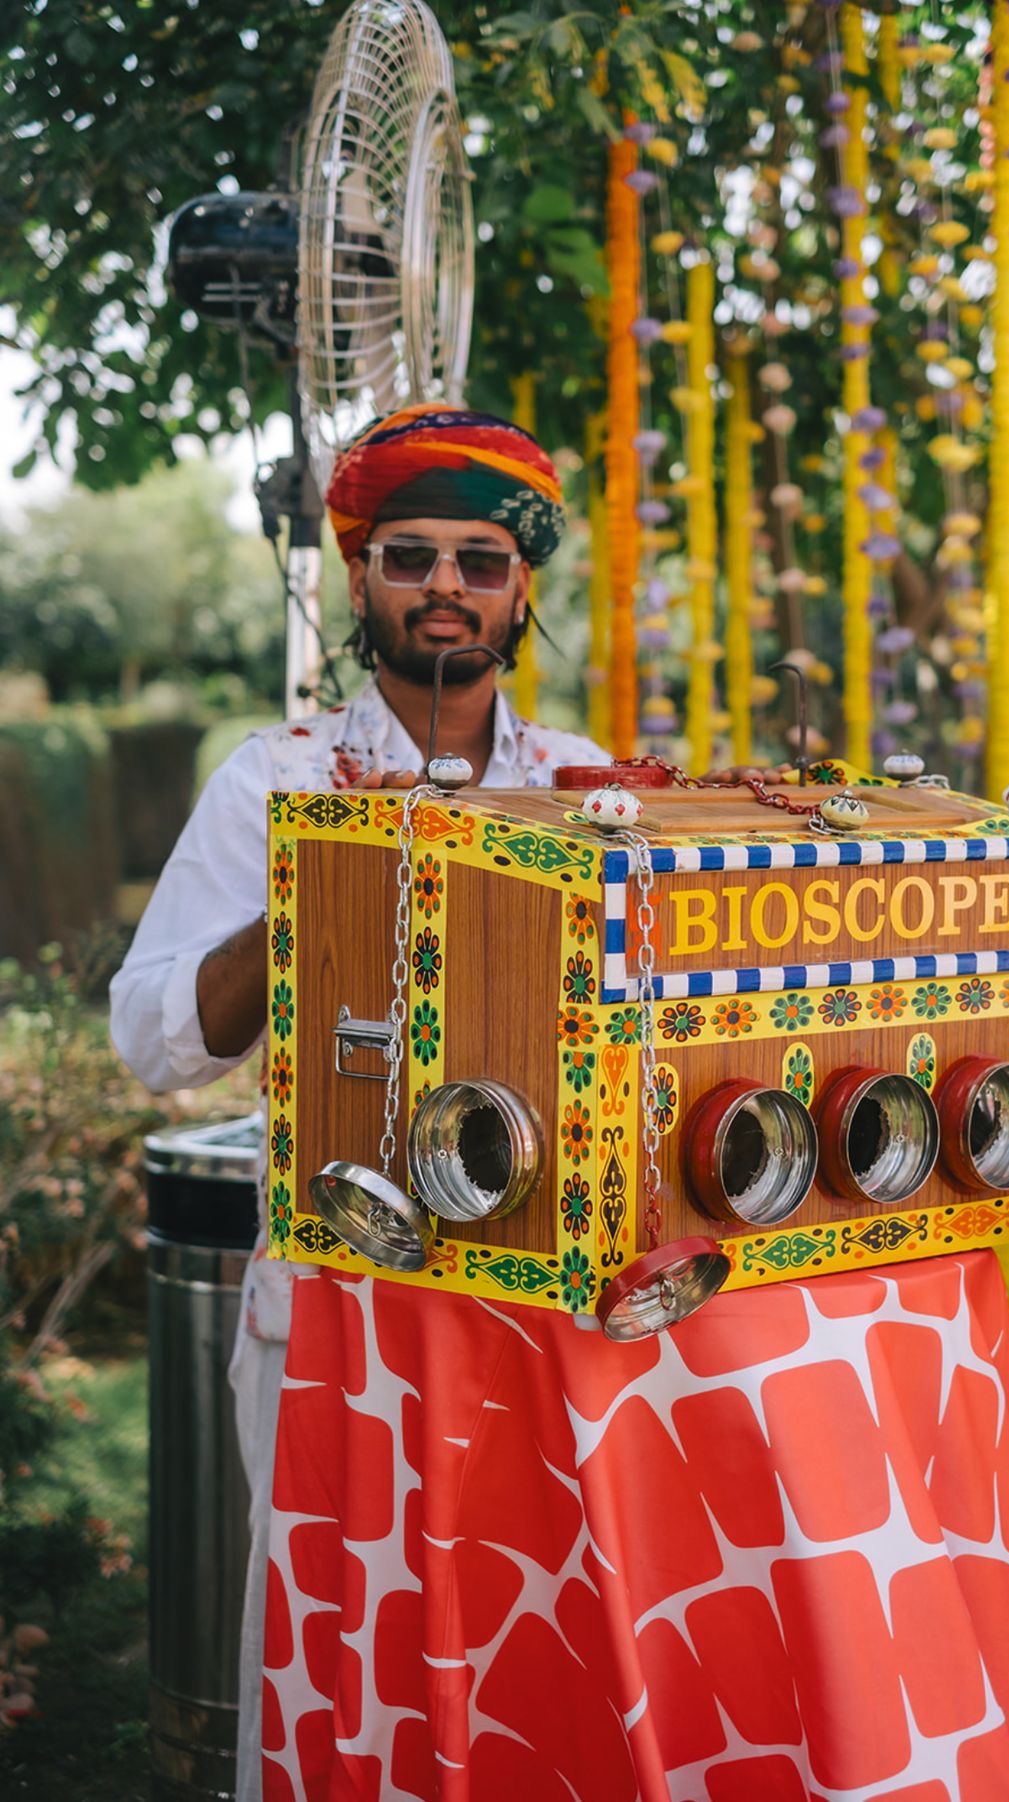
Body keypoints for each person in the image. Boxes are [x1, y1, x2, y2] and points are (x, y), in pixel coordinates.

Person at [109, 404, 611, 1802]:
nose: (446, 584)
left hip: (546, 1313)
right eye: (411, 556)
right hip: (339, 1302)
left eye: (479, 560)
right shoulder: (274, 779)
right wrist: (317, 885)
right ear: (359, 576)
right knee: (343, 1646)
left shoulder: (587, 783)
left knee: (540, 1639)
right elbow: (154, 1041)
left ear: (519, 590)